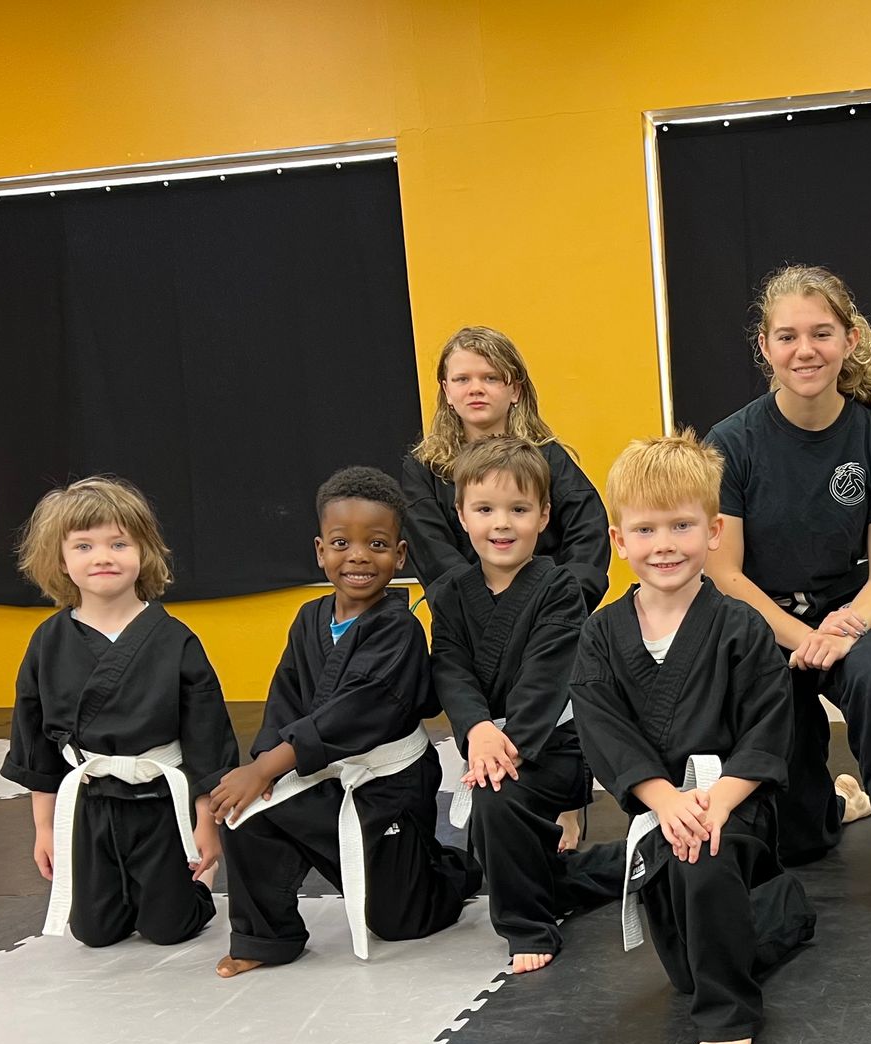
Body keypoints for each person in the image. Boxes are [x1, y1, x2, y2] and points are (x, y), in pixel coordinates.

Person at [570, 432, 816, 1044]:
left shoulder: (740, 625)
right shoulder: (601, 634)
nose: (665, 546)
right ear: (620, 541)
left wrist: (716, 803)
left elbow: (768, 725)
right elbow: (603, 727)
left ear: (713, 531)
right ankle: (780, 911)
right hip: (658, 807)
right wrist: (662, 799)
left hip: (733, 801)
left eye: (682, 526)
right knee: (683, 967)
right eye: (646, 531)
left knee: (704, 864)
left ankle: (731, 1013)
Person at [704, 264, 871, 924]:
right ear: (765, 347)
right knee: (801, 841)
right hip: (760, 618)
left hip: (845, 613)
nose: (804, 350)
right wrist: (798, 636)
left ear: (850, 340)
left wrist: (845, 628)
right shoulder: (732, 443)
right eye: (787, 336)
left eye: (820, 333)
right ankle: (836, 801)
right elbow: (726, 577)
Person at [209, 467, 480, 977]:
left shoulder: (399, 630)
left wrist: (270, 768)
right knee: (248, 817)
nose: (357, 556)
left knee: (401, 921)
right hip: (319, 771)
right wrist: (264, 767)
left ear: (399, 556)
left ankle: (453, 870)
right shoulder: (309, 619)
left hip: (386, 786)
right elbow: (286, 697)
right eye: (341, 543)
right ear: (320, 550)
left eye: (376, 544)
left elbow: (356, 710)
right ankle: (265, 938)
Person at [401, 325, 612, 853]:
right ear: (445, 390)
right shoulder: (424, 468)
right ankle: (490, 754)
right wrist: (482, 601)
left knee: (549, 693)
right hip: (470, 617)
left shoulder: (549, 456)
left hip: (550, 610)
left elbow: (588, 530)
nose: (477, 388)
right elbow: (433, 549)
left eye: (491, 377)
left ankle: (564, 800)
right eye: (463, 378)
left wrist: (560, 597)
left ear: (514, 388)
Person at [3, 477, 238, 947]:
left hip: (159, 802)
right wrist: (45, 829)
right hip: (91, 802)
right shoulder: (48, 643)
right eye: (84, 545)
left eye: (118, 543)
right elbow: (36, 748)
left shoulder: (174, 640)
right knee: (95, 932)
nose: (103, 556)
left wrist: (205, 827)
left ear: (143, 553)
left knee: (169, 928)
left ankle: (194, 888)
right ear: (61, 561)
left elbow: (205, 739)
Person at [428, 436, 619, 974]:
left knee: (496, 800)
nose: (502, 524)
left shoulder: (559, 587)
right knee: (504, 829)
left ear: (543, 516)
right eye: (485, 509)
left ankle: (530, 926)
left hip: (551, 744)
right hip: (489, 740)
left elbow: (547, 677)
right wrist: (476, 730)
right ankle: (611, 867)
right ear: (462, 515)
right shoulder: (450, 592)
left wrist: (504, 746)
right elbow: (450, 667)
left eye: (518, 509)